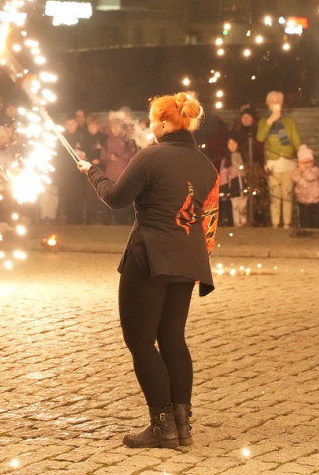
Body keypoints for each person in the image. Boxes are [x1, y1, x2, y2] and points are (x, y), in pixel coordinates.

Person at [76, 92, 219, 449]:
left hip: (150, 258)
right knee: (173, 338)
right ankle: (182, 425)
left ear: (166, 124)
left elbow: (116, 198)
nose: (150, 126)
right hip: (188, 258)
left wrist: (92, 172)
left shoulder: (150, 155)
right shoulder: (206, 165)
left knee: (140, 340)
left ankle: (162, 425)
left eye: (153, 121)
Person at [256, 90, 301, 228]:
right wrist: (270, 121)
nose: (275, 104)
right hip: (272, 164)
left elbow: (296, 141)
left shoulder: (289, 122)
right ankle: (275, 224)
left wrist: (302, 157)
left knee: (287, 194)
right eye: (272, 101)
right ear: (268, 104)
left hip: (288, 162)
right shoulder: (263, 122)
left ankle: (287, 223)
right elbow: (260, 137)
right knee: (274, 195)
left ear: (282, 104)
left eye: (278, 101)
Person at [218, 135, 247, 227]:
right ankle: (236, 221)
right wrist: (224, 186)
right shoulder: (226, 158)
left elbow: (245, 169)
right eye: (230, 143)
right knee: (235, 203)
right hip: (232, 183)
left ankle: (244, 221)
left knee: (243, 203)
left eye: (234, 143)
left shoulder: (243, 155)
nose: (232, 146)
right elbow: (223, 173)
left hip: (242, 181)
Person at [292, 144, 319, 230]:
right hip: (303, 200)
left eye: (309, 162)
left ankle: (318, 232)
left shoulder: (315, 170)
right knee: (304, 220)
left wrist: (304, 171)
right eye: (304, 162)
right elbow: (295, 178)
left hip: (314, 200)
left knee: (316, 220)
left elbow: (310, 177)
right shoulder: (297, 171)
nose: (307, 164)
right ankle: (305, 231)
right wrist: (300, 171)